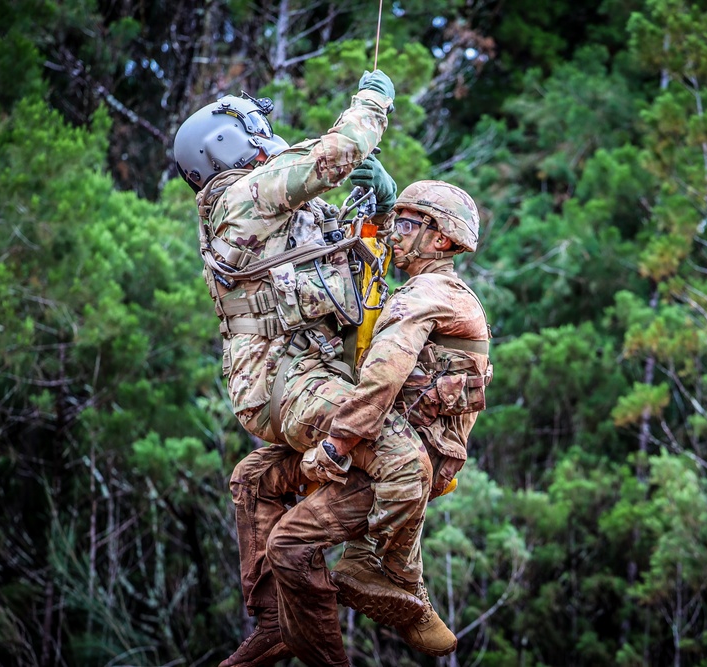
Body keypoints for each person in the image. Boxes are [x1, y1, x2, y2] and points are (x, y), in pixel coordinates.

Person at [173, 74, 451, 665]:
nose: (267, 137)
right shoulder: (245, 199)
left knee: (254, 481)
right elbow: (336, 153)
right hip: (288, 384)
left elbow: (351, 254)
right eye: (256, 129)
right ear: (229, 143)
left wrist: (377, 207)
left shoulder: (275, 211)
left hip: (307, 377)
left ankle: (277, 621)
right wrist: (373, 102)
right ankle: (384, 576)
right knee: (402, 455)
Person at [249, 179, 492, 666]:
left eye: (406, 224)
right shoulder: (425, 292)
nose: (393, 232)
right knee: (253, 478)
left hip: (401, 461)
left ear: (440, 239)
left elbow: (384, 375)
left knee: (290, 543)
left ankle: (382, 587)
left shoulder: (427, 294)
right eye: (394, 221)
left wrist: (337, 443)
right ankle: (279, 619)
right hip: (389, 448)